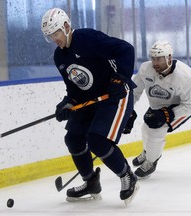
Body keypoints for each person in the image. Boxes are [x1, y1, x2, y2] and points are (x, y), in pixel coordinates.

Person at [41, 8, 139, 205]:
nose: (54, 39)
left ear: (66, 27)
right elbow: (74, 88)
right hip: (91, 100)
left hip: (115, 95)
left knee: (97, 140)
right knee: (73, 138)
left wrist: (120, 78)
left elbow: (126, 50)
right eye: (50, 36)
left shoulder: (87, 38)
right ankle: (91, 182)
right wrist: (68, 103)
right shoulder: (59, 57)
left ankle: (127, 176)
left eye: (56, 33)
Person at [126, 40, 191, 179]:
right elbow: (134, 92)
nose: (155, 63)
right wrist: (127, 111)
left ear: (169, 58)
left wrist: (168, 114)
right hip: (158, 106)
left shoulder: (184, 75)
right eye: (153, 58)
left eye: (159, 58)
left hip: (181, 107)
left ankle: (151, 161)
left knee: (156, 128)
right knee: (146, 126)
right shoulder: (145, 69)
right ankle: (147, 152)